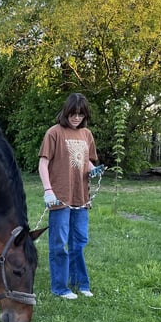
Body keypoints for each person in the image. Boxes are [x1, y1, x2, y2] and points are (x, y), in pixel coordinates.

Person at [38, 93, 100, 299]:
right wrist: (48, 190)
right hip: (60, 197)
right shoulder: (54, 133)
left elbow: (85, 161)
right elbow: (43, 163)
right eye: (73, 113)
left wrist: (93, 169)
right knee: (59, 243)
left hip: (81, 197)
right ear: (66, 112)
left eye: (80, 115)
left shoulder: (86, 135)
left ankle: (80, 283)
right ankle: (60, 287)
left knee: (79, 241)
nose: (76, 118)